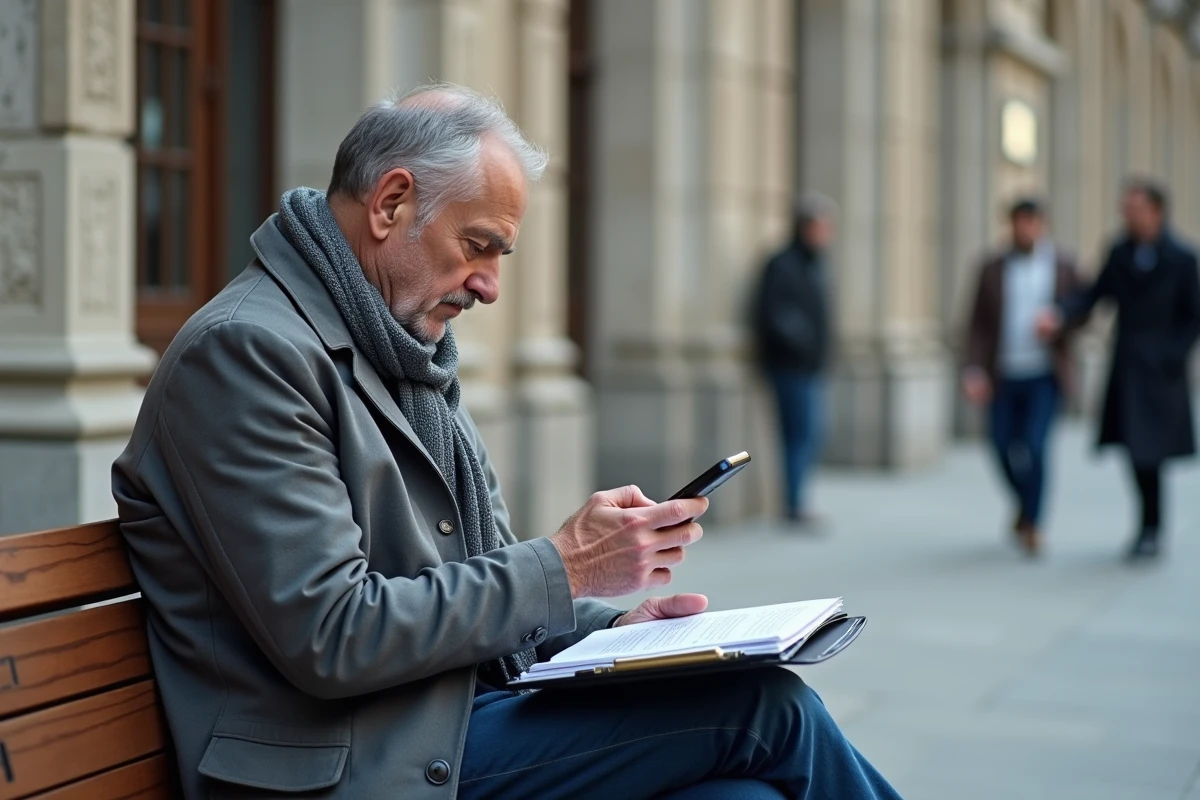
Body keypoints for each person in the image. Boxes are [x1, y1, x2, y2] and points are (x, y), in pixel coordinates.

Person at [111, 85, 901, 800]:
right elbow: (333, 635)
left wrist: (609, 634)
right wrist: (567, 565)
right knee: (761, 707)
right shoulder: (247, 353)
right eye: (479, 245)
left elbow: (471, 585)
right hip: (350, 763)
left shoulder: (399, 350)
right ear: (391, 203)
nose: (490, 285)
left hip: (440, 719)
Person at [1038, 179, 1200, 560]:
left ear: (1156, 212)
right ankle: (1147, 527)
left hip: (1161, 372)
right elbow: (1095, 294)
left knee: (1151, 453)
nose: (1128, 216)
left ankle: (1152, 528)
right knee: (1134, 450)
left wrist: (1171, 355)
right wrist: (1060, 312)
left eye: (1135, 209)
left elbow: (1193, 316)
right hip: (1128, 367)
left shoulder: (1182, 258)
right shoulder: (1120, 252)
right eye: (1125, 209)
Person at [962, 198, 1083, 556]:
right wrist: (973, 369)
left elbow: (1084, 308)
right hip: (1003, 375)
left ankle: (1033, 524)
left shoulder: (1063, 265)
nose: (1024, 229)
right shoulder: (991, 268)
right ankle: (1025, 504)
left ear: (1042, 225)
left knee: (1035, 446)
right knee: (1000, 446)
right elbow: (976, 324)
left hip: (1044, 375)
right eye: (1018, 222)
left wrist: (1059, 319)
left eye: (1031, 222)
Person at [753, 193, 836, 526]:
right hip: (789, 366)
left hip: (810, 366)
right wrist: (802, 343)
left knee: (809, 434)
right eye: (822, 227)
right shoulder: (783, 264)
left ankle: (797, 499)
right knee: (799, 434)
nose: (827, 234)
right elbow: (775, 315)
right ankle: (793, 503)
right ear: (805, 227)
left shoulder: (815, 264)